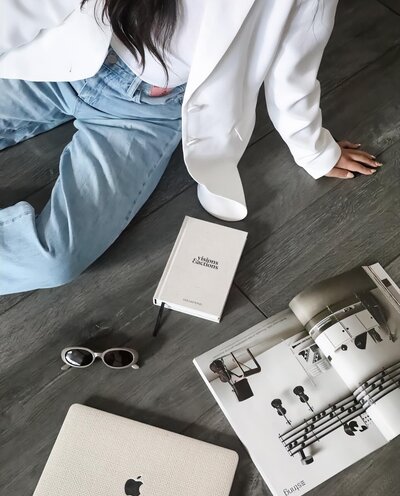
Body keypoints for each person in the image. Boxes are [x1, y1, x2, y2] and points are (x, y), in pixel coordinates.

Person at [0, 0, 382, 294]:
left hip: (142, 115)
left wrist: (315, 149)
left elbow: (293, 69)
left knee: (53, 259)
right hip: (57, 59)